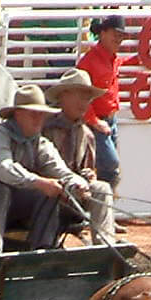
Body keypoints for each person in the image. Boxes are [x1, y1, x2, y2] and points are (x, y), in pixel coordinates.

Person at [0, 83, 108, 263]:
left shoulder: (39, 143)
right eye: (33, 114)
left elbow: (58, 169)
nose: (38, 119)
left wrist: (76, 183)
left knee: (51, 190)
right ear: (18, 114)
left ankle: (43, 250)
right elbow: (4, 168)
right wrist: (39, 182)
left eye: (41, 114)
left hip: (11, 202)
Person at [42, 68, 117, 241]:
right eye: (80, 96)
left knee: (102, 188)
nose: (84, 103)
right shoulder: (44, 127)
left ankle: (105, 244)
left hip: (76, 195)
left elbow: (89, 170)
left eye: (88, 98)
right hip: (47, 193)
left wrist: (90, 176)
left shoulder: (86, 134)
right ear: (63, 96)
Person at [76, 14, 129, 186]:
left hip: (109, 119)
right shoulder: (89, 62)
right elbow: (79, 94)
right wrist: (95, 121)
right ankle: (103, 201)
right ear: (103, 33)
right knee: (111, 164)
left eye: (121, 36)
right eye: (116, 34)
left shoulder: (112, 59)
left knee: (109, 167)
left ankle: (103, 203)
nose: (119, 40)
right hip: (98, 121)